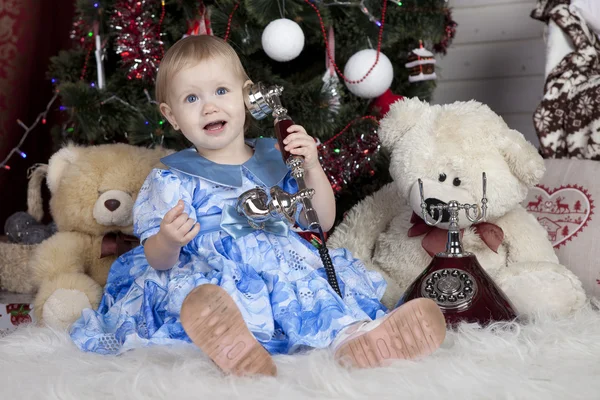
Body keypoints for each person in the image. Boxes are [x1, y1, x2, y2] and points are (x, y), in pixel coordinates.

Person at [69, 35, 446, 376]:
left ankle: (354, 338)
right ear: (171, 115)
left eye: (220, 90)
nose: (208, 107)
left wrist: (311, 167)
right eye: (191, 98)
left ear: (246, 96)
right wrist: (168, 239)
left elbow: (320, 221)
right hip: (213, 268)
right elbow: (158, 259)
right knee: (207, 294)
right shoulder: (172, 178)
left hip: (282, 261)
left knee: (313, 286)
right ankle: (234, 344)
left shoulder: (275, 158)